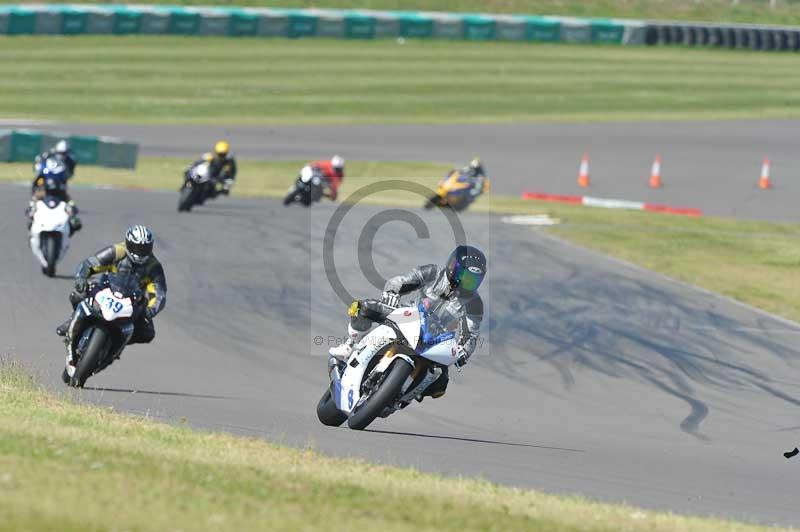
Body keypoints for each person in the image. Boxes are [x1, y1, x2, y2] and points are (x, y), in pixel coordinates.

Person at [329, 245, 486, 399]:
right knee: (363, 308)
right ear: (453, 267)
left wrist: (462, 352)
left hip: (435, 338)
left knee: (440, 383)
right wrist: (392, 294)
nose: (467, 283)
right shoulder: (433, 273)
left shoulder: (474, 302)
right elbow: (402, 281)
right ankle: (350, 345)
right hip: (408, 316)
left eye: (473, 280)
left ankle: (404, 396)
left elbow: (471, 334)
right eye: (465, 277)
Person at [55, 226, 167, 350]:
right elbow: (90, 263)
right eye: (136, 247)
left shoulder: (153, 266)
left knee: (147, 333)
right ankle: (73, 320)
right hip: (107, 288)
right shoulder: (117, 251)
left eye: (144, 248)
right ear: (128, 243)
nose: (139, 252)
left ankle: (117, 343)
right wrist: (81, 277)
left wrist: (150, 310)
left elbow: (159, 294)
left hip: (132, 301)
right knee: (77, 294)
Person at [27, 157, 81, 233]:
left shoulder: (61, 179)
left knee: (74, 221)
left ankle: (70, 220)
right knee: (35, 203)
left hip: (59, 199)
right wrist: (32, 207)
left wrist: (72, 209)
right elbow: (37, 190)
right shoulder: (41, 179)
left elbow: (66, 197)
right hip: (44, 200)